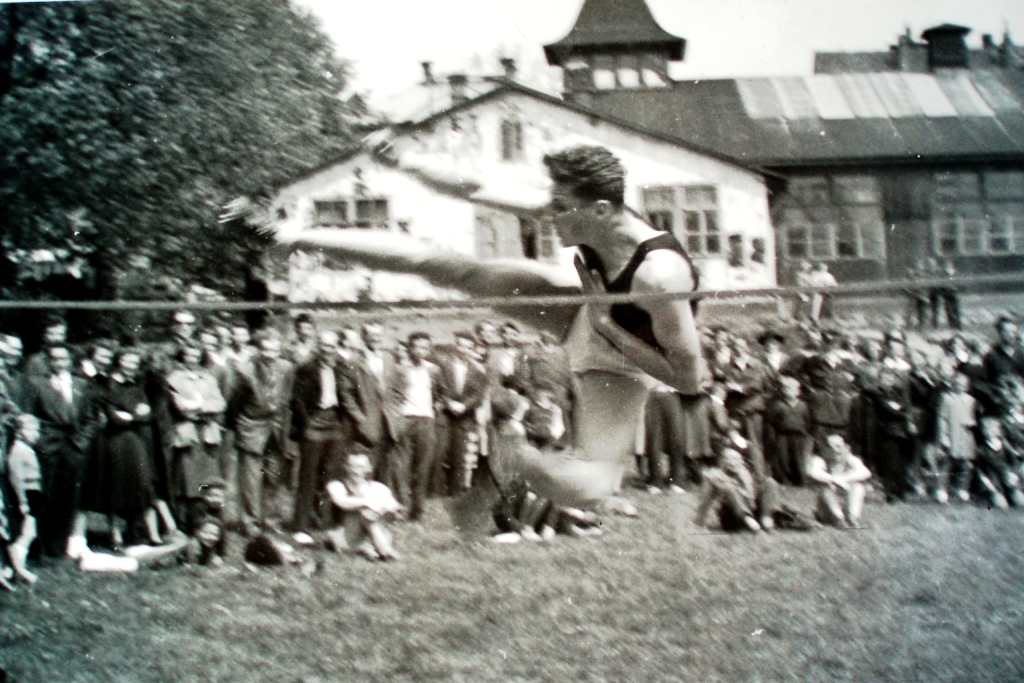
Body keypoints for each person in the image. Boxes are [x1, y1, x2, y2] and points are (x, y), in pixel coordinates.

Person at [267, 145, 706, 517]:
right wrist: (403, 160)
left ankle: (517, 460)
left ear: (601, 210)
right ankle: (292, 234)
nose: (549, 218)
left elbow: (688, 378)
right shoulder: (587, 212)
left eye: (560, 209)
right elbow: (474, 188)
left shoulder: (660, 275)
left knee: (589, 489)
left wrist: (607, 322)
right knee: (456, 271)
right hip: (589, 309)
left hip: (625, 357)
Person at [25, 342, 98, 558]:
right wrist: (40, 441)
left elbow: (92, 419)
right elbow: (30, 415)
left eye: (63, 358)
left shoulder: (81, 384)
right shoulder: (36, 383)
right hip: (48, 445)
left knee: (69, 497)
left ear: (70, 361)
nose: (59, 362)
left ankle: (58, 546)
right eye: (54, 358)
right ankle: (39, 546)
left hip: (74, 446)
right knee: (45, 495)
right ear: (48, 361)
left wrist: (81, 442)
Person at [90, 348, 164, 548]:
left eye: (135, 363)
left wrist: (129, 415)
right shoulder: (108, 385)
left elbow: (148, 415)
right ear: (118, 362)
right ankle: (116, 536)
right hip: (115, 443)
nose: (132, 366)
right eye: (127, 362)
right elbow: (113, 419)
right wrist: (135, 415)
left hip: (138, 442)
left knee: (144, 487)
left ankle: (153, 534)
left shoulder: (137, 385)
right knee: (116, 489)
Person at [230, 330, 295, 536]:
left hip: (276, 427)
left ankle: (271, 519)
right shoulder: (245, 370)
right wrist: (242, 425)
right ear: (258, 349)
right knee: (251, 479)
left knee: (274, 475)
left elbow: (287, 395)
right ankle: (250, 521)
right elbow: (235, 402)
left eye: (274, 350)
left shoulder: (287, 367)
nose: (270, 354)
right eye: (266, 349)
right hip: (252, 426)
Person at [290, 330, 347, 533]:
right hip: (315, 422)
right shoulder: (307, 368)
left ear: (336, 347)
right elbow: (296, 400)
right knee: (308, 475)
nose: (327, 350)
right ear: (318, 346)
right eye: (324, 346)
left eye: (331, 346)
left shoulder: (341, 367)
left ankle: (325, 520)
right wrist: (307, 424)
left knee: (331, 474)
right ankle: (301, 524)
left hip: (335, 424)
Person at [390, 331, 442, 520]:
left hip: (426, 421)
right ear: (409, 349)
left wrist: (434, 411)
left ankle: (417, 509)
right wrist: (397, 420)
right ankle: (402, 507)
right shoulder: (400, 370)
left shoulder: (434, 370)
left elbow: (439, 394)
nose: (420, 351)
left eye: (424, 348)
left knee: (423, 467)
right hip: (406, 419)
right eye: (416, 347)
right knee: (402, 466)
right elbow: (394, 396)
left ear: (429, 350)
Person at [325, 453, 402, 561]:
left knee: (370, 513)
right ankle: (383, 549)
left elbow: (394, 507)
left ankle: (370, 548)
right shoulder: (337, 485)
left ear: (369, 468)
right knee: (365, 512)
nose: (356, 471)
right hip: (347, 536)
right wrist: (368, 503)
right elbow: (342, 502)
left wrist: (381, 509)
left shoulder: (378, 487)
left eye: (361, 467)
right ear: (346, 467)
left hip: (375, 533)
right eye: (352, 466)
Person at [6, 415, 43, 584]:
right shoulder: (17, 451)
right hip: (26, 494)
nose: (37, 434)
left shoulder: (26, 449)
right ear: (21, 432)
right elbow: (16, 478)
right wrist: (22, 501)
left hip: (34, 493)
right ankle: (16, 567)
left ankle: (14, 566)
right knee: (26, 532)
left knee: (30, 532)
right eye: (33, 430)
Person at [806, 434, 872, 528]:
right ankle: (838, 519)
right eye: (831, 447)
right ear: (825, 448)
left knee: (858, 487)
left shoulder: (849, 458)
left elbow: (865, 472)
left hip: (844, 499)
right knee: (825, 488)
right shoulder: (819, 459)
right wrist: (834, 480)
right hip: (826, 508)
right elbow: (813, 472)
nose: (836, 450)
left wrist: (843, 479)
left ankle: (852, 518)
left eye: (839, 446)